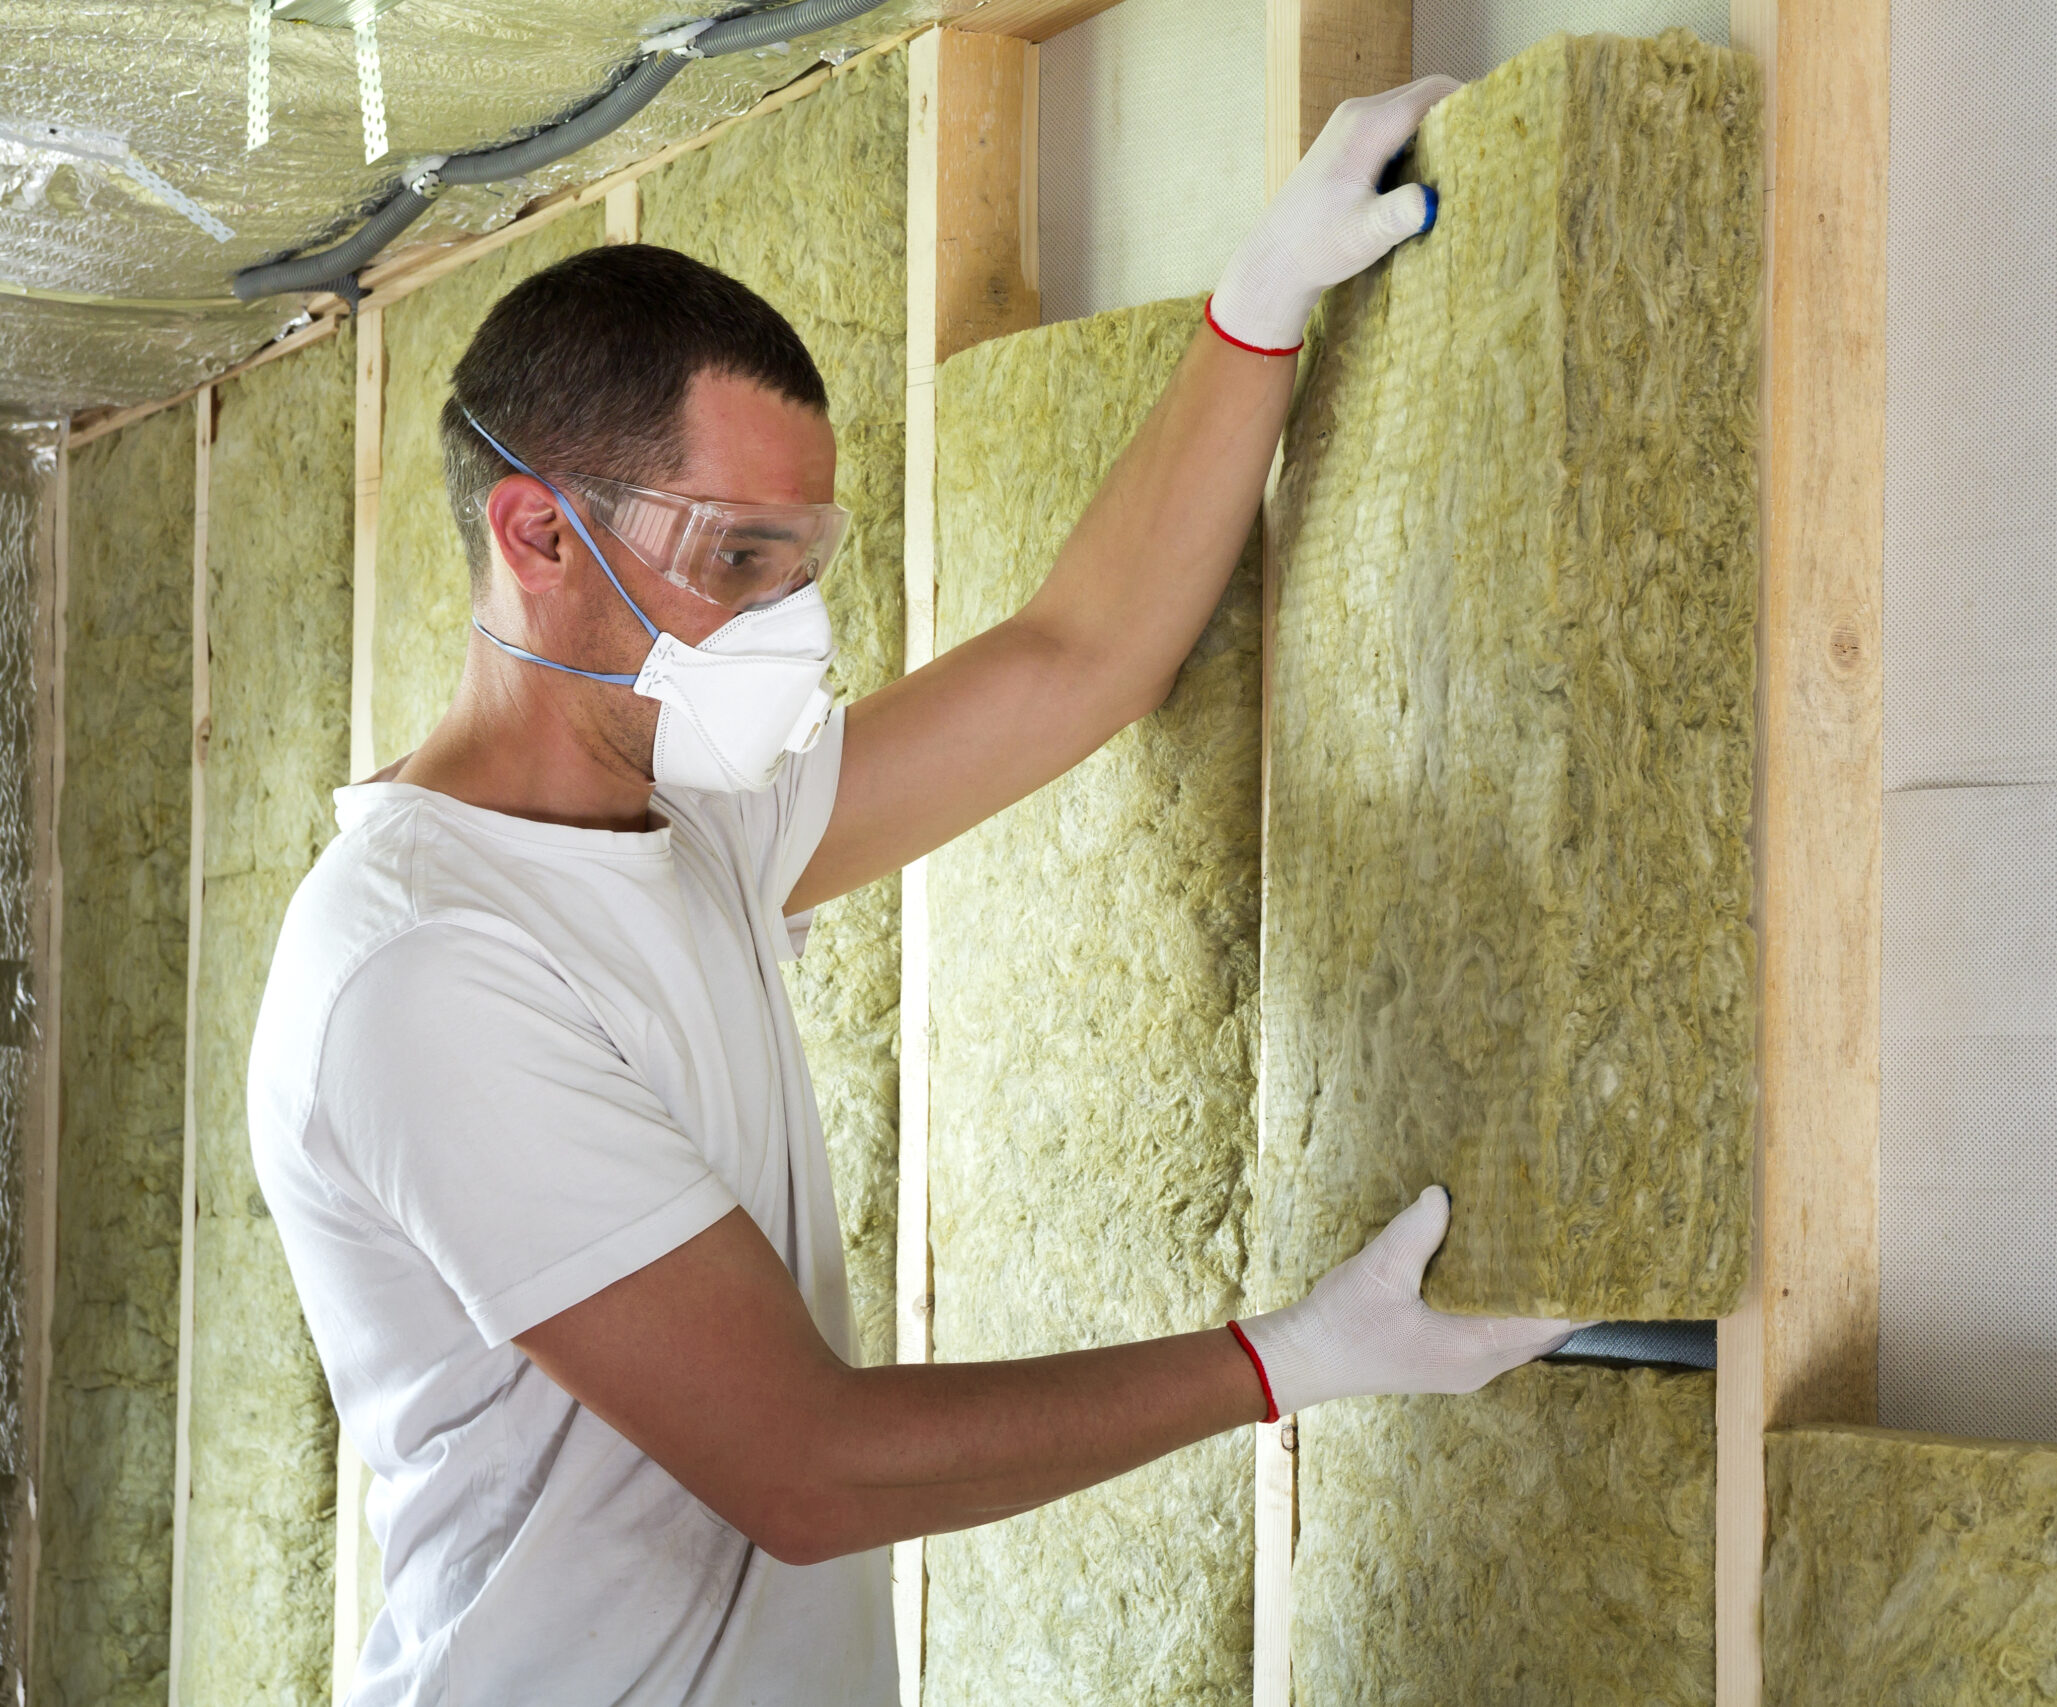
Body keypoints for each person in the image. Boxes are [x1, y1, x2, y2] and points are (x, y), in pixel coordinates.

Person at [249, 76, 1576, 1705]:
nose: (790, 627)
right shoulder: (426, 970)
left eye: (805, 568)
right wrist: (1281, 1363)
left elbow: (1077, 659)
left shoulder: (694, 825)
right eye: (737, 558)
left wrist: (1260, 301)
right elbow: (807, 1468)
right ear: (534, 531)